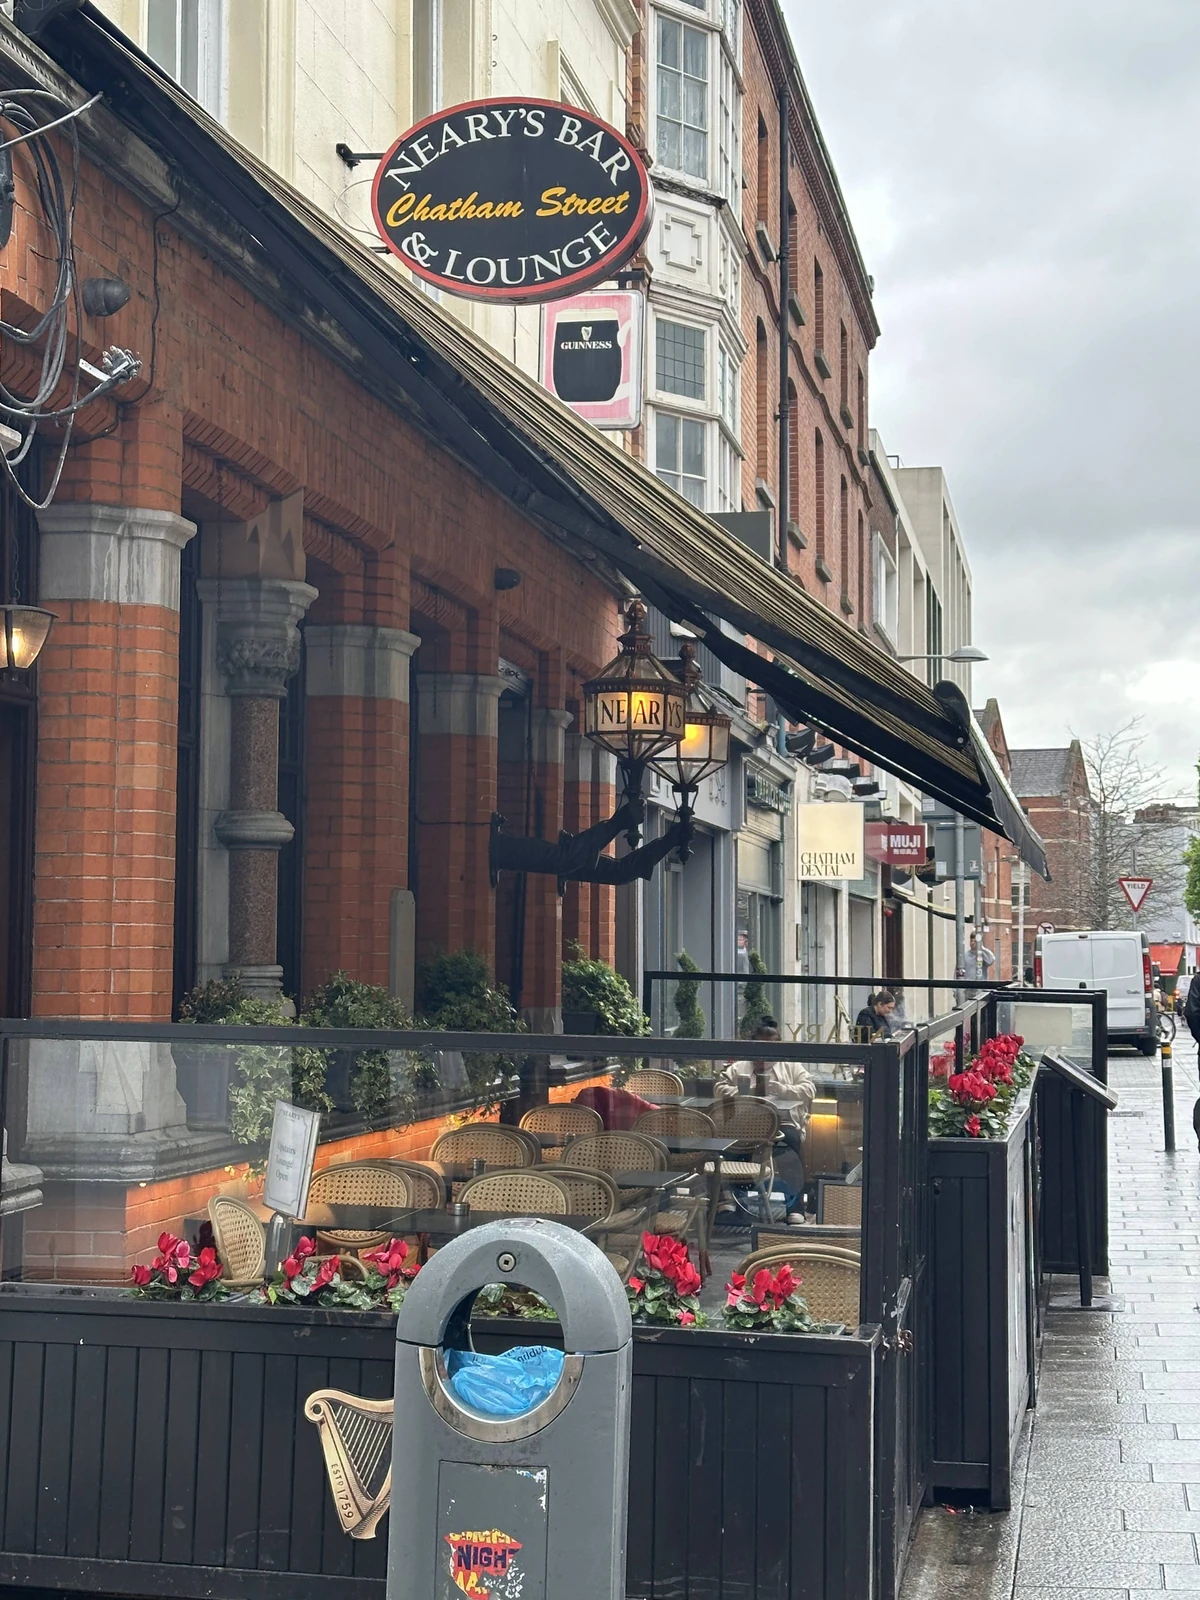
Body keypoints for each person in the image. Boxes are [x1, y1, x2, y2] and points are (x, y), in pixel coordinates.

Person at [715, 1019, 815, 1224]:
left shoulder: (791, 1066)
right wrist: (745, 1092)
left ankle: (794, 1206)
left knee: (790, 1144)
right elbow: (719, 1088)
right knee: (722, 1144)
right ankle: (727, 1198)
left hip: (781, 1124)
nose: (764, 1055)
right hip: (743, 1124)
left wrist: (783, 1089)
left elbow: (809, 1089)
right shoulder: (740, 1067)